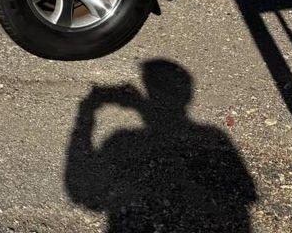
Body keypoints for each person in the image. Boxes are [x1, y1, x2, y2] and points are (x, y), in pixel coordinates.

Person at [65, 59, 256, 232]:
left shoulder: (122, 141)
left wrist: (87, 111)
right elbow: (245, 194)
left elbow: (81, 193)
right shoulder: (213, 137)